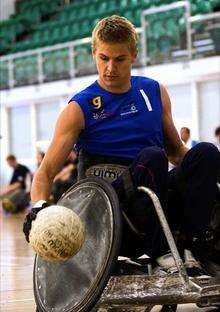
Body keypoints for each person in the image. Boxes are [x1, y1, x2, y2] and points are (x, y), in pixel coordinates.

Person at [23, 15, 220, 276]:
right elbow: (45, 172)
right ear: (94, 53)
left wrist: (209, 176)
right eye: (104, 58)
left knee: (206, 152)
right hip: (113, 210)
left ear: (134, 55)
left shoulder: (152, 92)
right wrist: (38, 208)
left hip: (156, 193)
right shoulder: (79, 108)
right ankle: (161, 250)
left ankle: (197, 246)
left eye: (119, 59)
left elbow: (176, 152)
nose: (110, 68)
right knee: (152, 156)